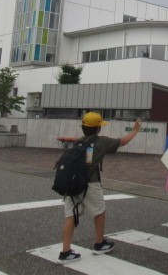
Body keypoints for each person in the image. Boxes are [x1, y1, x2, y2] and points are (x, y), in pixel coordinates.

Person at [58, 112, 142, 264]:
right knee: (99, 211)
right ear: (98, 128)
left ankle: (65, 252)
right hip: (90, 183)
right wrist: (135, 130)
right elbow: (122, 142)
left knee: (71, 216)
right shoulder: (101, 142)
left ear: (83, 127)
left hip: (72, 183)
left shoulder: (78, 142)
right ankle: (99, 243)